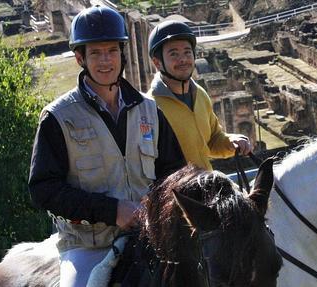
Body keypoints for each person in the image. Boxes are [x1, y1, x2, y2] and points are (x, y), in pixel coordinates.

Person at [28, 6, 184, 287]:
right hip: (87, 247)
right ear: (80, 58)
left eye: (112, 51)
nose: (105, 61)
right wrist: (112, 210)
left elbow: (175, 173)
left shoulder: (150, 110)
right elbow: (44, 190)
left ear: (122, 54)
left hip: (149, 238)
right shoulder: (57, 118)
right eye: (95, 53)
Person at [147, 20, 253, 171]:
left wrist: (231, 141)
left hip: (207, 184)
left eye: (187, 52)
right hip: (176, 193)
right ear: (157, 63)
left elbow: (212, 141)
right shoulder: (150, 107)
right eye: (174, 54)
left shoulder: (200, 94)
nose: (183, 59)